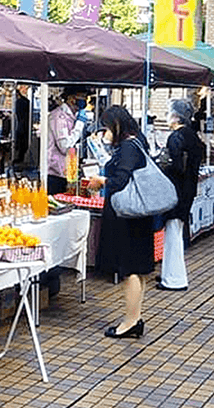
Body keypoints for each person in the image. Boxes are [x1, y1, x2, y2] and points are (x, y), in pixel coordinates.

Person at [86, 106, 153, 339]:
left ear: (116, 125)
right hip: (139, 213)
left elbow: (121, 179)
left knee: (130, 269)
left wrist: (101, 180)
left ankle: (130, 321)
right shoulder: (138, 141)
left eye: (106, 128)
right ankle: (135, 317)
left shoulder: (127, 147)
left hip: (127, 215)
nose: (104, 133)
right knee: (138, 269)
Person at [158, 100, 203, 292]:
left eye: (169, 113)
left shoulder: (176, 137)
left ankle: (174, 279)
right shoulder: (193, 136)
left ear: (176, 116)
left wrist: (162, 167)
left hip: (176, 190)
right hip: (188, 189)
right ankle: (169, 273)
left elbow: (175, 166)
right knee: (176, 232)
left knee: (173, 235)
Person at [47, 86, 90, 195]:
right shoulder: (58, 116)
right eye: (82, 97)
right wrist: (79, 125)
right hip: (54, 173)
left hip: (67, 170)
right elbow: (65, 146)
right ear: (71, 98)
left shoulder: (72, 115)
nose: (84, 101)